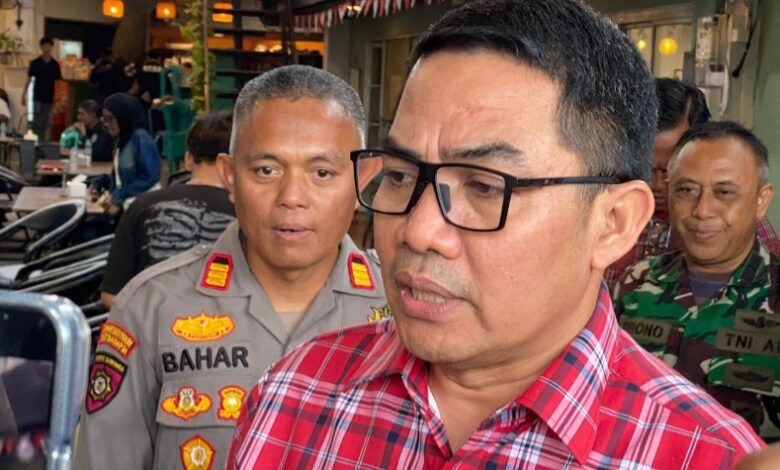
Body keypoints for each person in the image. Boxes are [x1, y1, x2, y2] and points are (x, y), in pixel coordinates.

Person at [229, 1, 764, 468]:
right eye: (400, 175)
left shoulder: (704, 454)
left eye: (485, 187)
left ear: (614, 222)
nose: (419, 230)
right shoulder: (292, 396)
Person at [74, 65, 388, 470]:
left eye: (322, 173)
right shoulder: (151, 309)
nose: (292, 196)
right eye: (266, 170)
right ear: (230, 177)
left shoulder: (402, 310)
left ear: (362, 179)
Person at [614, 121, 779, 441]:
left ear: (761, 201)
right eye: (686, 190)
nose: (702, 210)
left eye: (724, 193)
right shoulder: (636, 283)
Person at [604, 78, 780, 289]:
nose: (656, 184)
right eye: (644, 168)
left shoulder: (745, 229)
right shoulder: (606, 211)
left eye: (668, 168)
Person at [99, 110, 236, 309]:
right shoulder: (250, 216)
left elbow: (111, 295)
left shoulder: (143, 205)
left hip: (148, 324)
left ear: (188, 159)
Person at [92, 92, 161, 209]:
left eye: (110, 119)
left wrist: (119, 194)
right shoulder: (122, 139)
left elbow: (149, 178)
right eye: (104, 119)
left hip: (145, 209)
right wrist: (103, 181)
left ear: (123, 117)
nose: (106, 124)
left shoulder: (141, 139)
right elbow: (124, 176)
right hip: (129, 206)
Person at [23, 37, 61, 140]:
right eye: (44, 46)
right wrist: (24, 94)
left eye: (48, 46)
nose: (46, 48)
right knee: (36, 120)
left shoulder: (55, 64)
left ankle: (44, 142)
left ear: (51, 47)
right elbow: (29, 79)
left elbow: (58, 82)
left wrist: (58, 99)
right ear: (41, 47)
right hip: (37, 95)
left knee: (46, 121)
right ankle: (35, 140)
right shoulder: (35, 63)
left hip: (49, 96)